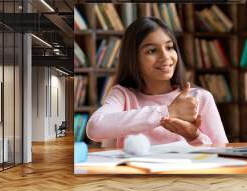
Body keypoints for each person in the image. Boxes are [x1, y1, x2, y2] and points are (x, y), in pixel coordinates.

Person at [86, 17, 228, 148]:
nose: (165, 57)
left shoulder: (200, 98)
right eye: (152, 51)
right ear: (133, 58)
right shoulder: (123, 95)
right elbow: (94, 128)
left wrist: (194, 136)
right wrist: (169, 111)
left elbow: (222, 154)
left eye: (169, 47)